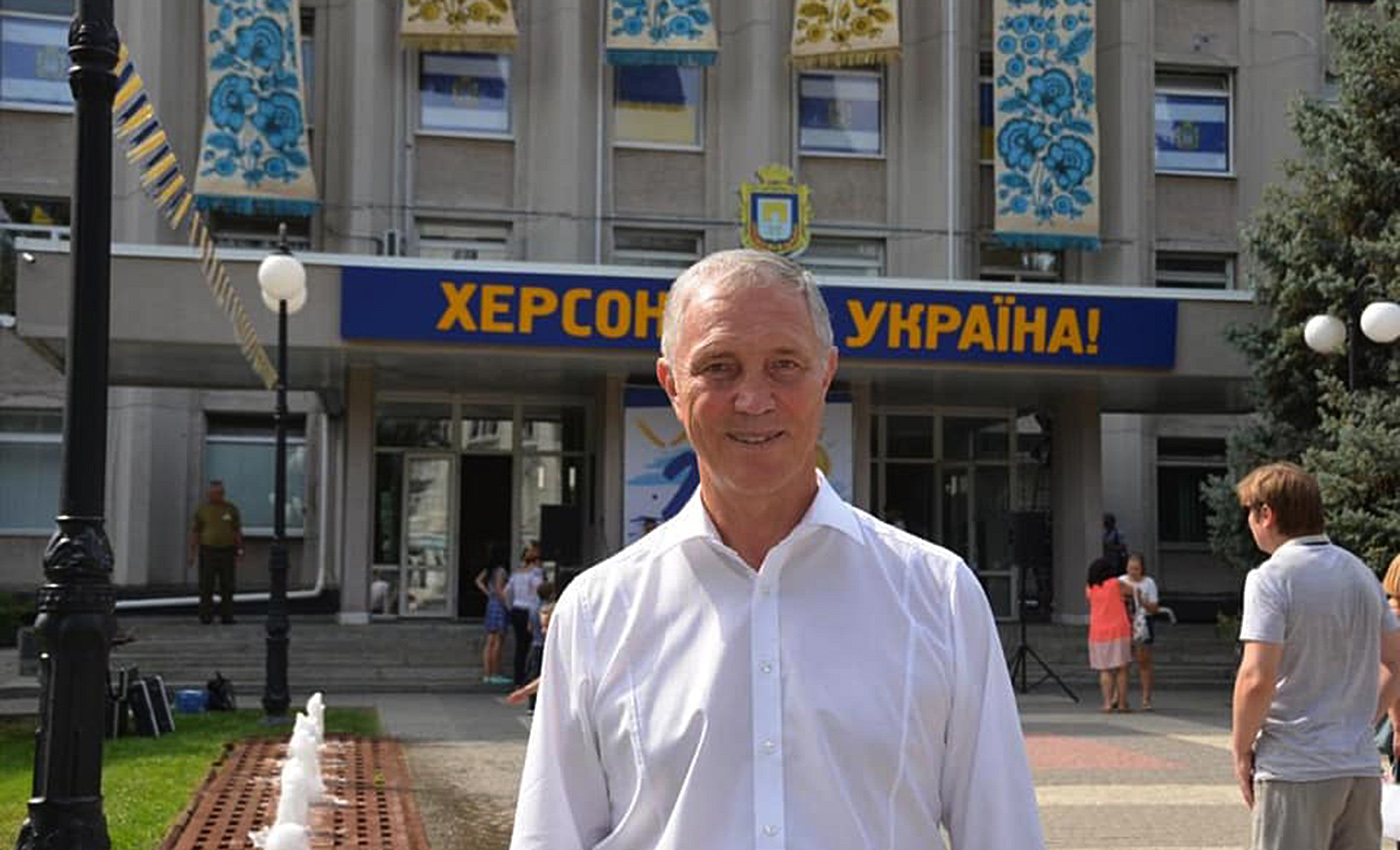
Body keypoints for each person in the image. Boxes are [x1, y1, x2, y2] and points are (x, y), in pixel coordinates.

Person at [510, 250, 1044, 849]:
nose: (753, 399)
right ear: (672, 385)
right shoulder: (596, 612)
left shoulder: (938, 596)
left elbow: (1003, 835)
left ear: (826, 374)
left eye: (784, 365)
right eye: (719, 367)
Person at [1231, 461, 1400, 849]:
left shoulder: (1271, 578)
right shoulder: (1360, 573)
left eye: (1249, 514)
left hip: (1295, 768)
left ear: (1267, 514)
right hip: (1358, 768)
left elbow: (1256, 678)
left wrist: (1240, 749)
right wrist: (1361, 718)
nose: (1249, 524)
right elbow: (1395, 661)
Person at [188, 480, 243, 625]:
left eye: (220, 493)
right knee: (206, 584)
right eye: (214, 493)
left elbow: (236, 530)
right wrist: (192, 553)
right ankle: (206, 616)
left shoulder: (231, 509)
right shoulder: (202, 510)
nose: (217, 495)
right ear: (209, 494)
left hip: (227, 551)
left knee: (228, 584)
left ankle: (227, 616)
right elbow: (196, 532)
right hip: (208, 551)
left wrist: (239, 549)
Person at [1085, 556, 1133, 713]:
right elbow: (1132, 590)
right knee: (1121, 668)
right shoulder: (1116, 584)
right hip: (1119, 630)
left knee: (1104, 670)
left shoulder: (1090, 588)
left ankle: (1107, 703)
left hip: (1098, 632)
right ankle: (1122, 703)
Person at [1119, 552, 1160, 710]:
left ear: (1142, 569)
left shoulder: (1149, 583)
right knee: (1123, 662)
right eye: (1130, 568)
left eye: (1136, 569)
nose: (1133, 572)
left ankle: (1146, 697)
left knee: (1144, 661)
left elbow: (1154, 608)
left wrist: (1142, 600)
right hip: (1125, 621)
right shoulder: (1121, 581)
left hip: (1143, 621)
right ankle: (1120, 697)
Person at [506, 545, 543, 687]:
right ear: (536, 560)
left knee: (520, 646)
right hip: (530, 610)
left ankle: (518, 679)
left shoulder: (516, 574)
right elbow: (538, 592)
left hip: (517, 609)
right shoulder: (536, 574)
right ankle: (530, 677)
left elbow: (506, 591)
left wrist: (510, 606)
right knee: (535, 644)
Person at [474, 563, 510, 685]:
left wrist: (488, 593)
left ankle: (487, 674)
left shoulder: (489, 570)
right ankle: (495, 673)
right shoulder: (501, 570)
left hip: (491, 604)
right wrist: (507, 604)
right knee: (497, 641)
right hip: (499, 605)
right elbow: (500, 589)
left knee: (490, 641)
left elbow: (478, 581)